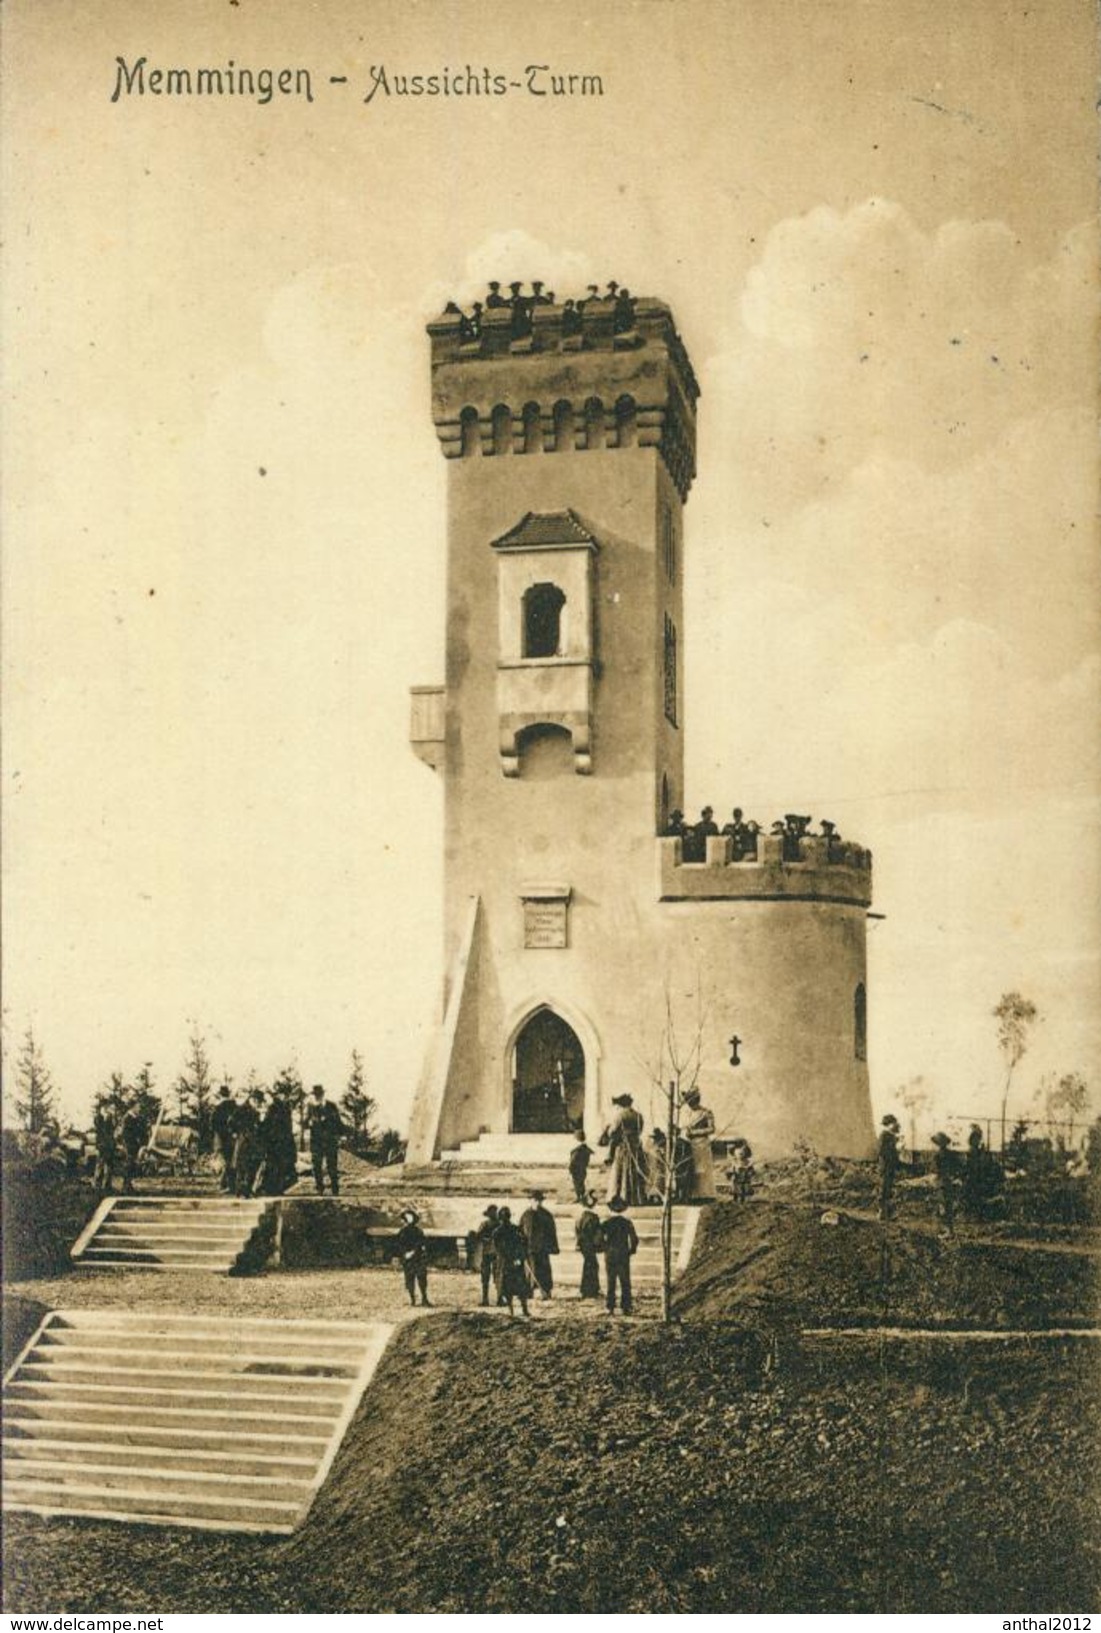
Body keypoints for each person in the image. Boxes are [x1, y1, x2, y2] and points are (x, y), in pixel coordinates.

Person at [601, 1093, 648, 1206]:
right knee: (635, 1171)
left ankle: (622, 1197)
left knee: (621, 1171)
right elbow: (640, 1130)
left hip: (623, 1146)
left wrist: (607, 1130)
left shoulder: (620, 1115)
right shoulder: (638, 1115)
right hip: (636, 1146)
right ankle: (636, 1198)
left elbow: (613, 1132)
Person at [602, 1197, 639, 1315]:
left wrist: (605, 1248)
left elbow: (598, 1239)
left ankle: (610, 1306)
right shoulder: (627, 1223)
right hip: (623, 1254)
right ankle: (626, 1306)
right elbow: (634, 1239)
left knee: (610, 1280)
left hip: (610, 1254)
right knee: (625, 1280)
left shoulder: (606, 1223)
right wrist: (631, 1250)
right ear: (623, 1209)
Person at [520, 1190, 559, 1298]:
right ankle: (529, 1292)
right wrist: (520, 1247)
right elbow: (520, 1232)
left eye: (539, 1201)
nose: (537, 1203)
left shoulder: (546, 1215)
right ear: (531, 1201)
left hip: (543, 1248)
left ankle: (546, 1292)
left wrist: (553, 1247)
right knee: (530, 1271)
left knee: (544, 1270)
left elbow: (552, 1232)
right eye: (535, 1200)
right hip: (530, 1248)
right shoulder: (525, 1215)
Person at [492, 1206, 530, 1317]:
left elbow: (498, 1250)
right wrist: (519, 1258)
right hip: (513, 1262)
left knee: (509, 1288)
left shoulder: (498, 1232)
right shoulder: (514, 1230)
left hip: (506, 1263)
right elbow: (522, 1244)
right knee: (519, 1287)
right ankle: (523, 1310)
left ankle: (513, 1310)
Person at [305, 1084, 342, 1196]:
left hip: (330, 1141)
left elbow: (338, 1123)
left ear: (322, 1094)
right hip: (316, 1142)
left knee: (332, 1165)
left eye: (319, 1094)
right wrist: (308, 1123)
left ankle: (335, 1188)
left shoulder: (331, 1106)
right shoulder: (311, 1107)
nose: (317, 1096)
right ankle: (319, 1188)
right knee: (316, 1165)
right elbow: (306, 1122)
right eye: (315, 1094)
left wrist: (338, 1136)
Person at [261, 1085, 298, 1195]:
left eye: (287, 1095)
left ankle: (278, 1188)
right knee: (274, 1166)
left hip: (284, 1142)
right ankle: (271, 1189)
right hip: (275, 1142)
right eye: (284, 1095)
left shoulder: (286, 1108)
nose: (286, 1097)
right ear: (280, 1095)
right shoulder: (273, 1108)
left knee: (283, 1167)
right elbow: (267, 1125)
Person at [682, 1088, 717, 1200]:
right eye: (688, 1103)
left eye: (692, 1102)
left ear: (697, 1100)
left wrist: (695, 1132)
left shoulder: (706, 1113)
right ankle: (695, 1195)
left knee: (703, 1169)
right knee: (693, 1169)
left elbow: (711, 1129)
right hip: (691, 1143)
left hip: (702, 1143)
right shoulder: (687, 1113)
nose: (690, 1105)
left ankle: (706, 1194)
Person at [395, 1207, 430, 1306]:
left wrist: (416, 1251)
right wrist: (404, 1254)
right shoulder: (402, 1232)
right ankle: (412, 1299)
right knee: (409, 1279)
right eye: (407, 1217)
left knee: (422, 1278)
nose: (409, 1219)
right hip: (408, 1259)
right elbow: (399, 1245)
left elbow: (421, 1242)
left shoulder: (418, 1231)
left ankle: (424, 1298)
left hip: (418, 1258)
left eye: (411, 1217)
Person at [232, 1090, 265, 1196]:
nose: (259, 1104)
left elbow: (256, 1127)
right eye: (258, 1102)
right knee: (243, 1166)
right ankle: (241, 1191)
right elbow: (231, 1122)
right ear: (253, 1100)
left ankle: (246, 1190)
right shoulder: (242, 1109)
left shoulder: (254, 1111)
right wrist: (237, 1132)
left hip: (252, 1143)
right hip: (244, 1142)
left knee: (250, 1166)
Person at [575, 1192, 603, 1299]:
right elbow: (597, 1233)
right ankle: (591, 1290)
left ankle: (587, 1290)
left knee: (589, 1265)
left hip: (583, 1244)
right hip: (589, 1245)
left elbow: (577, 1231)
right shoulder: (593, 1217)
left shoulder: (581, 1217)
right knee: (592, 1265)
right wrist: (599, 1245)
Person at [210, 1085, 237, 1193]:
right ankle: (229, 1185)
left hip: (223, 1139)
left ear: (220, 1095)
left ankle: (227, 1185)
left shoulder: (218, 1108)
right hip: (234, 1138)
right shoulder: (235, 1106)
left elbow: (213, 1125)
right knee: (232, 1161)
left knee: (227, 1162)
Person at [473, 1204, 500, 1306]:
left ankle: (485, 1300)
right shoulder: (500, 1224)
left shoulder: (484, 1224)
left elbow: (478, 1237)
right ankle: (499, 1299)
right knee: (498, 1276)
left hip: (487, 1252)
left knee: (485, 1277)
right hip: (497, 1253)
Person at [931, 1132, 956, 1236]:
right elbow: (958, 1167)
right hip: (949, 1182)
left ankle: (947, 1231)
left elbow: (935, 1170)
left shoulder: (937, 1156)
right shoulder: (951, 1154)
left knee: (943, 1206)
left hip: (941, 1182)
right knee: (948, 1206)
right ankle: (949, 1229)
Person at [877, 1114, 901, 1221]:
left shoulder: (890, 1136)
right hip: (886, 1166)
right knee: (885, 1189)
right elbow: (882, 1152)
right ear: (890, 1124)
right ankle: (883, 1213)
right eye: (894, 1123)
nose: (896, 1125)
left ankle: (887, 1213)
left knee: (888, 1189)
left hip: (889, 1166)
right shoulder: (884, 1136)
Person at [119, 1104, 148, 1195]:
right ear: (133, 1107)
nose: (139, 1109)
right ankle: (126, 1186)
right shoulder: (127, 1118)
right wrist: (133, 1141)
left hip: (133, 1145)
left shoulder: (133, 1118)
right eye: (138, 1107)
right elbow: (126, 1133)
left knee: (131, 1165)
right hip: (130, 1145)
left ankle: (128, 1185)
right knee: (129, 1165)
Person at [93, 1109, 117, 1193]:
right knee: (100, 1165)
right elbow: (98, 1132)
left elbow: (113, 1128)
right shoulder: (99, 1118)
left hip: (109, 1145)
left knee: (109, 1166)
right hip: (102, 1145)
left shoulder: (110, 1117)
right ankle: (97, 1185)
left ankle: (107, 1185)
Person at [568, 1129, 593, 1203]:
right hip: (582, 1169)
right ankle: (581, 1197)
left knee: (577, 1184)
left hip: (576, 1169)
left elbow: (573, 1161)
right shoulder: (585, 1148)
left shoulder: (577, 1150)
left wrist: (570, 1168)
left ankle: (579, 1197)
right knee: (581, 1183)